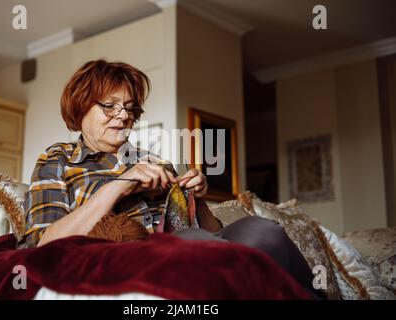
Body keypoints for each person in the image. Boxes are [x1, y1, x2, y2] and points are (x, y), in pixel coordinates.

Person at [19, 59, 325, 299]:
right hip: (135, 257)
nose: (123, 115)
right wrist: (120, 185)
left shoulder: (155, 162)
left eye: (129, 107)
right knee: (192, 244)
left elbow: (212, 232)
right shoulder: (57, 159)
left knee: (262, 229)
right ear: (81, 105)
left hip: (194, 243)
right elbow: (43, 243)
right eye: (110, 105)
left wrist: (197, 198)